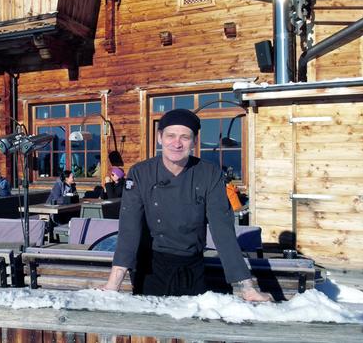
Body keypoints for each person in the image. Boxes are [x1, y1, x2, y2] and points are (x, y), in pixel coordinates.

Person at [103, 109, 271, 302]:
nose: (177, 143)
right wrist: (113, 285)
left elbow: (223, 231)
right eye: (171, 136)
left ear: (195, 141)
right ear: (159, 138)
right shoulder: (141, 173)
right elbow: (129, 229)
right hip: (150, 269)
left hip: (192, 267)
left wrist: (246, 287)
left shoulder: (209, 174)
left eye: (185, 137)